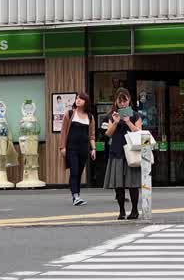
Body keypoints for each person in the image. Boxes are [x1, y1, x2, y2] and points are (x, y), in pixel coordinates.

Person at [104, 88, 143, 220]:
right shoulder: (112, 115)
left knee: (133, 183)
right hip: (117, 151)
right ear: (116, 101)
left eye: (124, 100)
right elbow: (108, 133)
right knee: (118, 183)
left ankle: (134, 210)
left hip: (131, 151)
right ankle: (121, 211)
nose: (122, 104)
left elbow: (139, 131)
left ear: (129, 100)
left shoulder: (135, 115)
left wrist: (127, 121)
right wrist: (115, 121)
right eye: (120, 101)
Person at [60, 92, 97, 206]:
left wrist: (93, 149)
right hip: (72, 147)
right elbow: (64, 131)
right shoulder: (70, 114)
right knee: (74, 171)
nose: (78, 100)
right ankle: (75, 196)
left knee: (79, 172)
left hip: (84, 148)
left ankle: (77, 195)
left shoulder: (90, 117)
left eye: (81, 99)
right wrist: (62, 147)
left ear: (86, 102)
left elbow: (91, 135)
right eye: (77, 98)